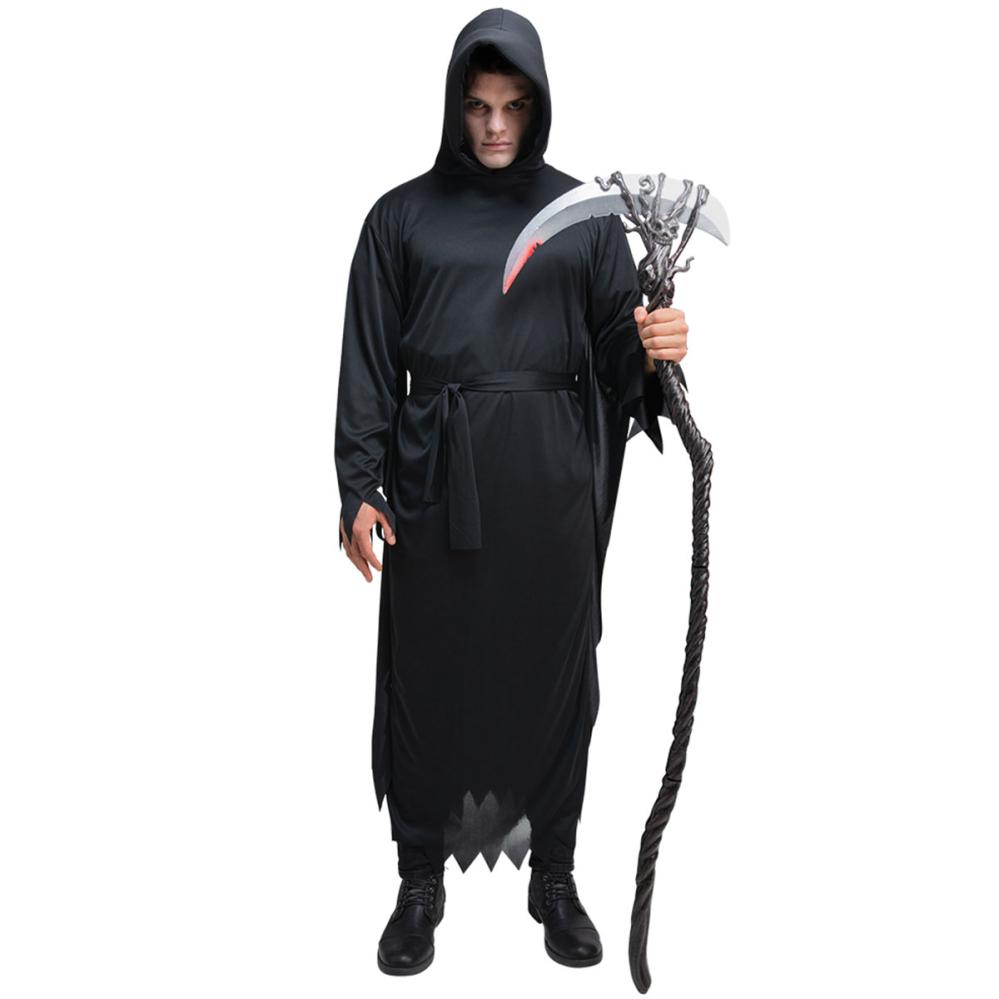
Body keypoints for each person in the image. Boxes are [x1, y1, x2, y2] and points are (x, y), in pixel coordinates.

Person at [334, 8, 690, 977]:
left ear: (539, 107)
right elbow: (369, 360)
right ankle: (418, 879)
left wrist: (654, 346)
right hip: (434, 478)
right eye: (478, 106)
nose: (495, 125)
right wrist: (359, 482)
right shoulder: (399, 217)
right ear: (453, 106)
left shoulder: (586, 217)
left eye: (514, 106)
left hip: (551, 480)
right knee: (428, 671)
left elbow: (618, 355)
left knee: (554, 668)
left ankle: (555, 874)